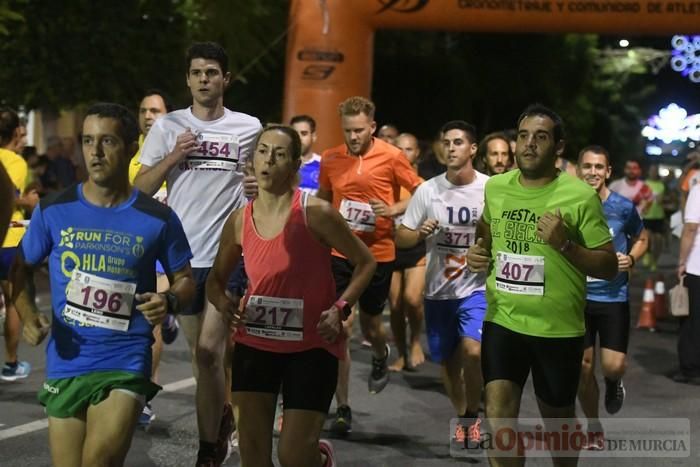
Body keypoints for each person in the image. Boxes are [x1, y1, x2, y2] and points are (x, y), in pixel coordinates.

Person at [11, 103, 195, 467]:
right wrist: (28, 313)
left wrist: (170, 300)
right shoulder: (54, 210)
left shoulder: (157, 217)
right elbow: (19, 268)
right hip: (67, 362)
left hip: (125, 359)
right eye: (88, 141)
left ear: (130, 148)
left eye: (107, 141)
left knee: (98, 461)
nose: (95, 152)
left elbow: (186, 279)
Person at [207, 124, 375, 467]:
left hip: (312, 346)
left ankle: (319, 458)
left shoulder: (317, 214)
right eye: (262, 151)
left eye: (280, 154)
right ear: (252, 160)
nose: (268, 160)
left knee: (294, 456)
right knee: (253, 457)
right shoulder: (239, 220)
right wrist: (223, 304)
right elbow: (215, 281)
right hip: (256, 342)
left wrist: (340, 308)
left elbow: (365, 262)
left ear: (295, 164)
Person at [134, 41, 262, 465]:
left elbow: (261, 181)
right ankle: (222, 418)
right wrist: (174, 156)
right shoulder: (168, 126)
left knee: (211, 350)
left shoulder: (248, 127)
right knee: (201, 355)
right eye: (196, 73)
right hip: (182, 257)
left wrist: (256, 190)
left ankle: (209, 447)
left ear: (225, 79)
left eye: (212, 72)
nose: (204, 79)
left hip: (230, 253)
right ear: (187, 79)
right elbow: (141, 190)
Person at [467, 104, 617, 465]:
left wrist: (565, 244)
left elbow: (610, 265)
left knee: (558, 427)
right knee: (498, 415)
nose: (529, 144)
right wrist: (480, 251)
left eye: (541, 136)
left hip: (557, 330)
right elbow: (486, 229)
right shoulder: (497, 187)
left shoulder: (580, 196)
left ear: (559, 147)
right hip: (503, 320)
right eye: (523, 136)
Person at [317, 96, 421, 433]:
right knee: (340, 328)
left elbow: (419, 191)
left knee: (372, 325)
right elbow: (322, 196)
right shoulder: (331, 158)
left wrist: (393, 210)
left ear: (372, 127)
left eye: (360, 130)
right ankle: (342, 406)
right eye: (348, 131)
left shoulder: (391, 157)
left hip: (378, 253)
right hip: (340, 253)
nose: (354, 137)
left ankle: (380, 353)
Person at [396, 120, 488, 443]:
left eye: (459, 142)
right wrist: (418, 233)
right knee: (447, 365)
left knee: (473, 352)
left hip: (476, 288)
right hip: (439, 291)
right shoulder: (428, 190)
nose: (451, 148)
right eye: (446, 142)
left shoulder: (490, 189)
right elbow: (401, 236)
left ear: (473, 149)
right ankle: (464, 413)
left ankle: (473, 416)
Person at [576, 145, 648, 450]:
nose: (592, 172)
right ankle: (593, 426)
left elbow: (642, 238)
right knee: (582, 367)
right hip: (577, 298)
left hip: (612, 296)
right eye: (587, 166)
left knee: (613, 365)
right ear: (579, 170)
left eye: (599, 167)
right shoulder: (568, 204)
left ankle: (613, 382)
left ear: (608, 171)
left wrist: (630, 259)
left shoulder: (623, 206)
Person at [128, 88, 175, 427]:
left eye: (155, 111)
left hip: (163, 247)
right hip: (130, 246)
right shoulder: (130, 155)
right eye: (144, 110)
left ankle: (145, 394)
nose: (148, 116)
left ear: (167, 115)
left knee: (150, 318)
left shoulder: (177, 151)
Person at [0, 107, 38, 381]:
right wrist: (28, 202)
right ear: (14, 133)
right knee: (13, 301)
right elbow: (8, 197)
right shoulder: (14, 162)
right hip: (8, 239)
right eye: (21, 133)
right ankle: (11, 363)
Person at [389, 132, 426, 371]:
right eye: (399, 149)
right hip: (391, 247)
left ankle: (415, 342)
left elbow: (419, 196)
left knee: (412, 299)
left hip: (417, 246)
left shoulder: (422, 184)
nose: (404, 153)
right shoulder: (387, 181)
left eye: (409, 149)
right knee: (394, 305)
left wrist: (392, 209)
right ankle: (401, 353)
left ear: (417, 153)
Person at [675, 183, 700, 385]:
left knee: (692, 321)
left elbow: (691, 228)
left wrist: (682, 261)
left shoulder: (698, 190)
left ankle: (692, 369)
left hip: (697, 266)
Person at [642, 164, 666, 272]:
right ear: (648, 172)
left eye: (655, 171)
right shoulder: (644, 184)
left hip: (659, 216)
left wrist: (662, 200)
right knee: (649, 238)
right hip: (647, 216)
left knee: (658, 241)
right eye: (652, 170)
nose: (653, 172)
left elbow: (662, 200)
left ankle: (654, 261)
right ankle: (647, 254)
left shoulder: (661, 185)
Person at [290, 114, 321, 195]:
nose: (299, 138)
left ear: (313, 136)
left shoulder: (324, 165)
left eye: (304, 133)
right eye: (295, 134)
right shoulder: (282, 165)